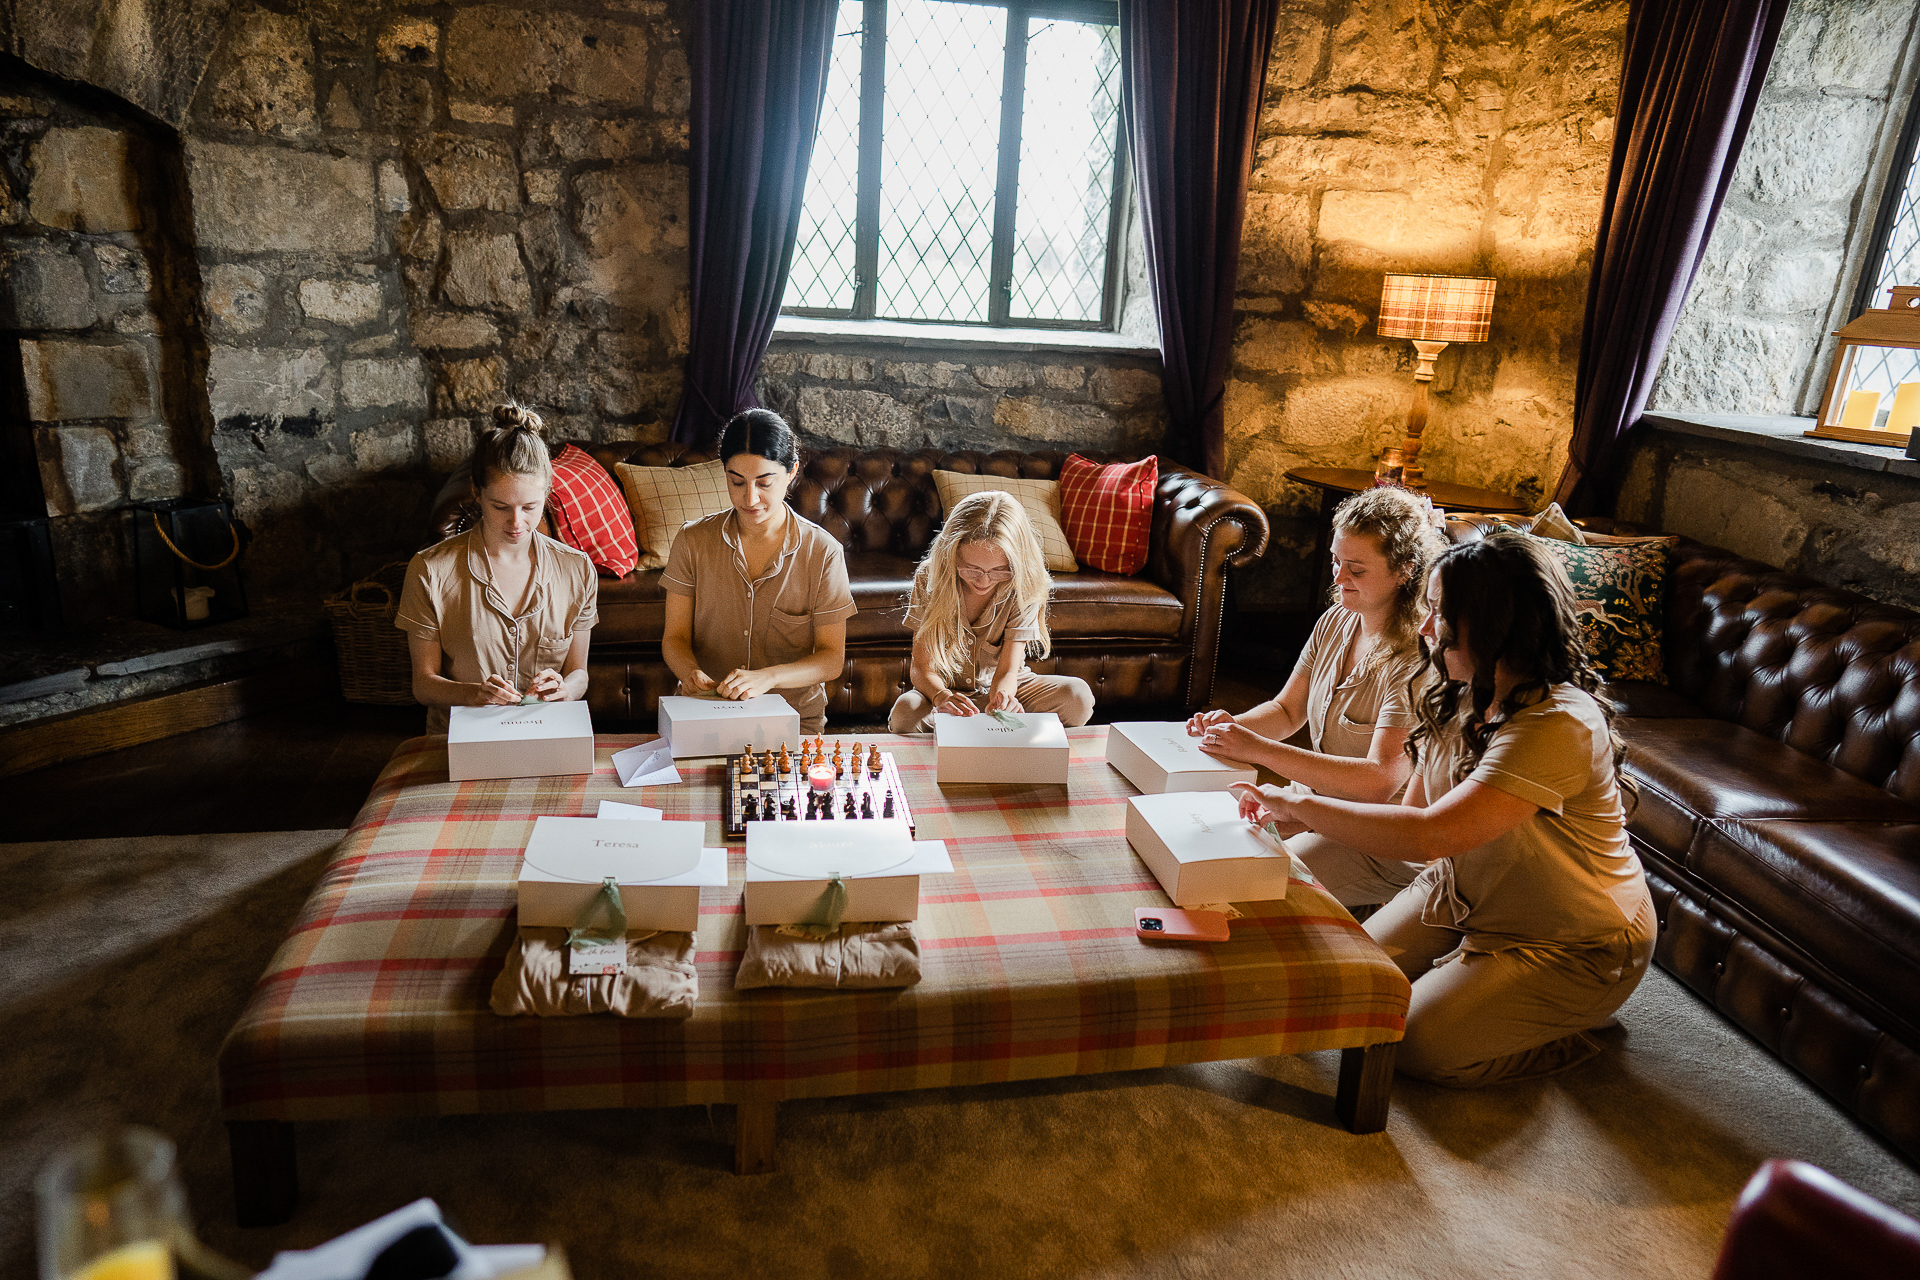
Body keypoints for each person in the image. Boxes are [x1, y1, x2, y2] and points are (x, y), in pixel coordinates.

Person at [1232, 531, 1657, 1087]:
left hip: (1571, 937)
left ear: (1493, 623)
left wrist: (1306, 806)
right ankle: (1476, 981)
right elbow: (1409, 814)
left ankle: (1570, 1026)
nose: (1428, 629)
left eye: (1441, 614)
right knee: (1349, 993)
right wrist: (1304, 818)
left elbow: (1429, 835)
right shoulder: (1457, 688)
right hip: (1461, 894)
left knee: (1412, 1045)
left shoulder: (1559, 723)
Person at [1187, 486, 1444, 906]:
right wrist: (1228, 728)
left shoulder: (1416, 657)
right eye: (1335, 561)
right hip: (1310, 808)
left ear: (1404, 571)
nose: (1338, 578)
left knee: (1246, 889)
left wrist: (1260, 752)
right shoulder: (1337, 618)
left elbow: (1379, 781)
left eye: (1356, 570)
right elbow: (1288, 710)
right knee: (1203, 852)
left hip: (1378, 837)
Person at [396, 404, 597, 733]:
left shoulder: (577, 569)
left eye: (530, 507)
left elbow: (580, 675)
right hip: (462, 739)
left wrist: (565, 689)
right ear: (476, 492)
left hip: (544, 732)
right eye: (500, 506)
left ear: (546, 494)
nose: (517, 523)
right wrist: (474, 694)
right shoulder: (429, 570)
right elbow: (423, 685)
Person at [659, 409, 854, 735]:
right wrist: (689, 671)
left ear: (792, 472)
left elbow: (831, 659)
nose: (750, 498)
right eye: (737, 482)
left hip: (793, 718)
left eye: (764, 482)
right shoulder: (692, 540)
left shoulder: (823, 551)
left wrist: (769, 676)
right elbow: (675, 638)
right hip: (704, 710)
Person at [888, 488, 1093, 733]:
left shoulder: (1024, 583)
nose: (984, 581)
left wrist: (1003, 699)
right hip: (945, 690)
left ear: (1017, 561)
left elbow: (1008, 671)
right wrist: (941, 696)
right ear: (950, 555)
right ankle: (987, 727)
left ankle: (990, 728)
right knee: (905, 713)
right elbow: (922, 668)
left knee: (1077, 697)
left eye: (999, 570)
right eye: (971, 569)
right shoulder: (930, 576)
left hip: (1007, 686)